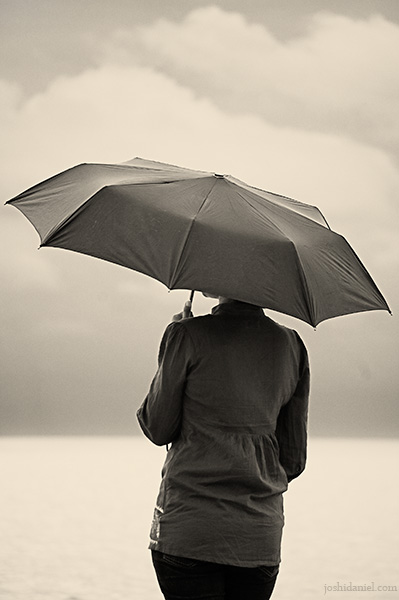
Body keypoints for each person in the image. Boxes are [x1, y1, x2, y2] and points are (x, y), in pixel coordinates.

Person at [137, 295, 310, 600]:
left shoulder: (186, 335)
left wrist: (171, 350)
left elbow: (157, 426)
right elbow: (293, 460)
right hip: (258, 537)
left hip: (189, 530)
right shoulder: (292, 345)